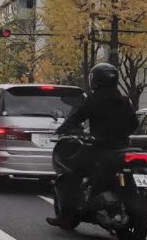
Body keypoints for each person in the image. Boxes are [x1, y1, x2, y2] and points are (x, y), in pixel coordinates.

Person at [47, 63, 139, 227]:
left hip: (101, 147)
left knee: (71, 172)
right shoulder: (124, 100)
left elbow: (77, 117)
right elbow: (134, 124)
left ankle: (66, 215)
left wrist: (62, 129)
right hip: (123, 147)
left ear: (94, 80)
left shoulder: (94, 100)